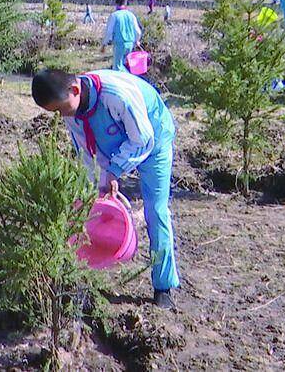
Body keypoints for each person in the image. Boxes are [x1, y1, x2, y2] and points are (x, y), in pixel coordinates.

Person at [32, 68, 180, 308]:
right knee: (95, 202)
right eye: (55, 113)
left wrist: (114, 170)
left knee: (156, 210)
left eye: (60, 109)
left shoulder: (117, 95)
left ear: (75, 89)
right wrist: (98, 186)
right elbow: (86, 152)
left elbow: (143, 139)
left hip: (153, 141)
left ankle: (163, 287)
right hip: (114, 141)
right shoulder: (72, 109)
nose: (61, 116)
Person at [102, 0, 142, 71]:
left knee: (117, 67)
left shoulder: (114, 15)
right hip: (130, 44)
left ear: (116, 3)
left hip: (119, 44)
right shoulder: (131, 15)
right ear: (125, 3)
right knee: (126, 65)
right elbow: (138, 31)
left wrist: (104, 44)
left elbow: (109, 32)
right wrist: (137, 40)